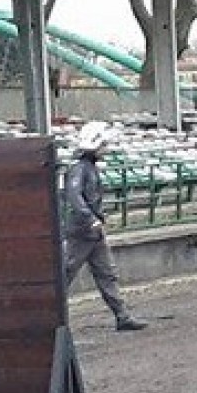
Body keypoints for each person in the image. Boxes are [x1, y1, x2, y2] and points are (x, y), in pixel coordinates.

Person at [63, 121, 147, 331]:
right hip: (83, 232)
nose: (106, 149)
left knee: (106, 273)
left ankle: (122, 315)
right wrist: (91, 218)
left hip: (90, 231)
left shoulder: (83, 168)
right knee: (66, 273)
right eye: (104, 145)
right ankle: (47, 316)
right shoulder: (80, 169)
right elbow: (75, 197)